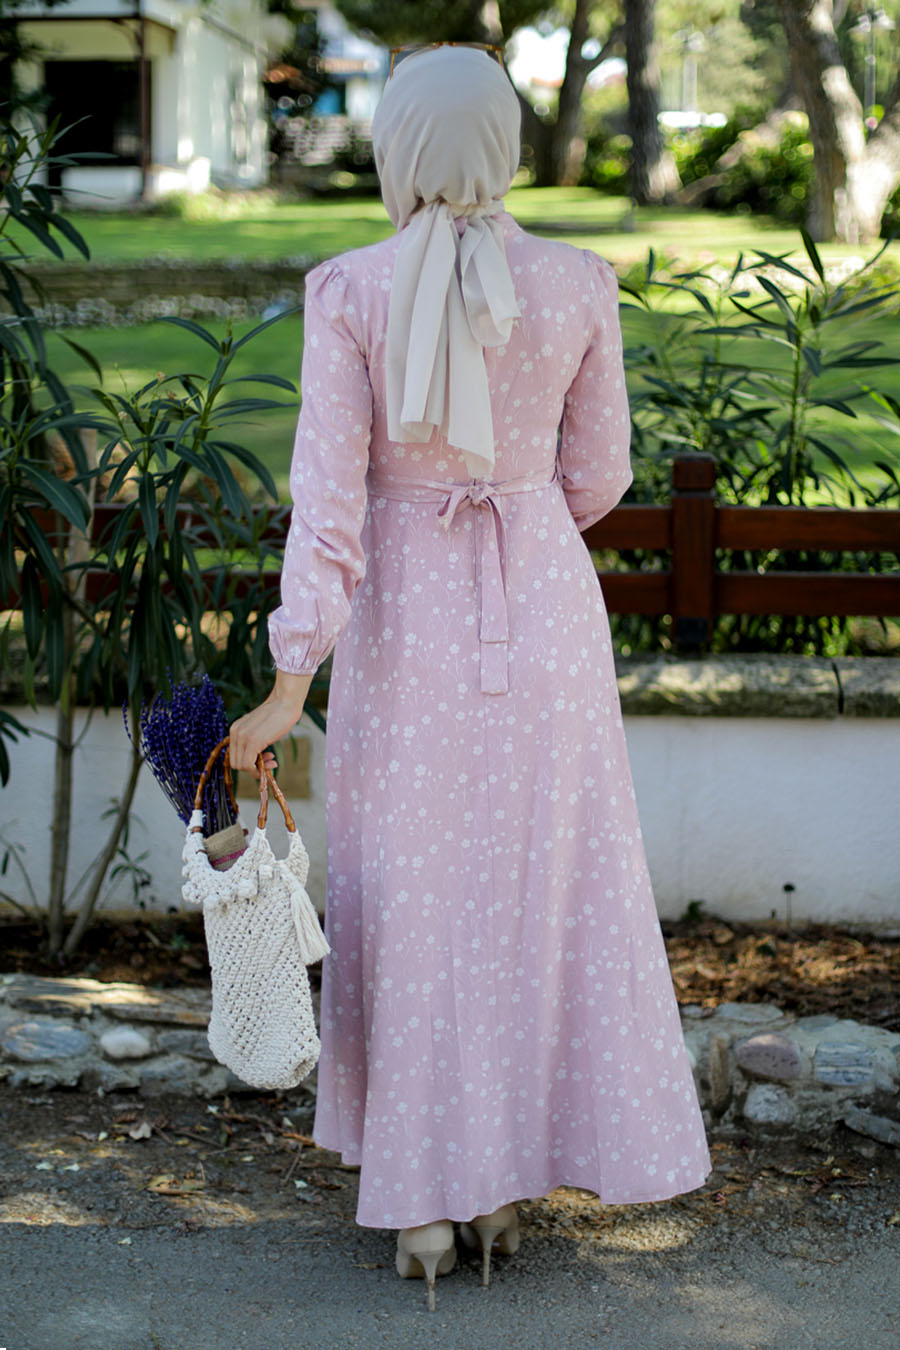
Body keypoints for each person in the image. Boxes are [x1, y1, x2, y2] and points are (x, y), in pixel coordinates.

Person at [228, 43, 711, 1311]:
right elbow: (600, 478)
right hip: (543, 609)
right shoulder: (579, 283)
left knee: (416, 890)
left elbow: (327, 513)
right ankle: (501, 1190)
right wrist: (515, 508)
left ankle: (428, 1207)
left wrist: (290, 681)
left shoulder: (348, 291)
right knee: (537, 888)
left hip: (406, 617)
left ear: (394, 145)